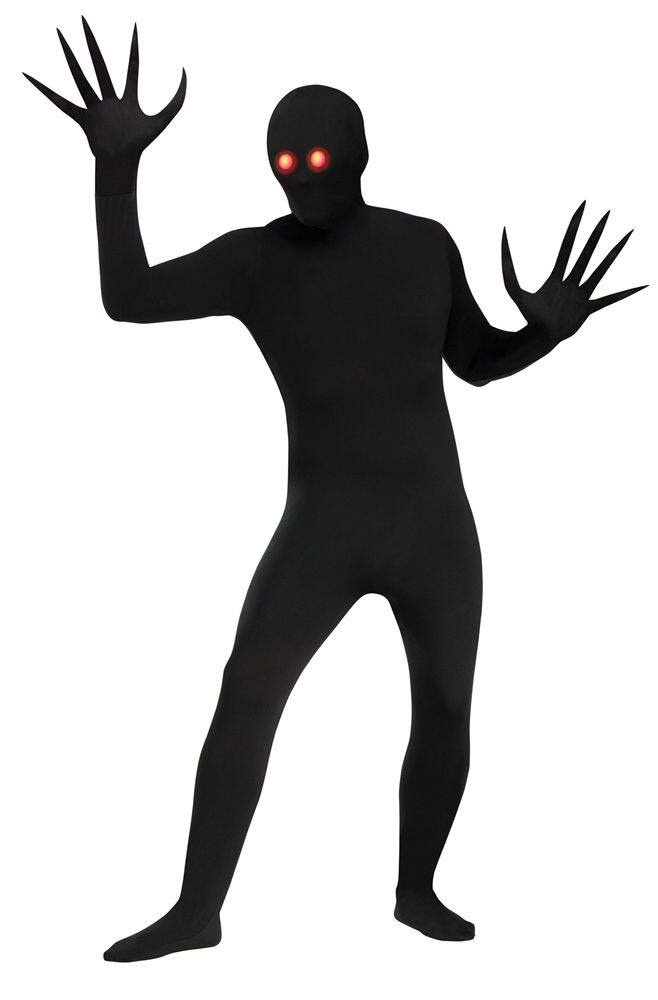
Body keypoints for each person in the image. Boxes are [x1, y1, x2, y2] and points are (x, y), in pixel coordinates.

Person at [25, 19, 646, 962]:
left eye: (315, 158)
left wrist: (542, 336)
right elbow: (129, 297)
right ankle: (197, 911)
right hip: (323, 525)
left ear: (360, 156)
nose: (298, 177)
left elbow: (476, 363)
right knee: (247, 697)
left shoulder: (424, 245)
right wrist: (116, 170)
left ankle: (417, 892)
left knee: (445, 707)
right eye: (282, 161)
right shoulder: (255, 260)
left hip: (435, 529)